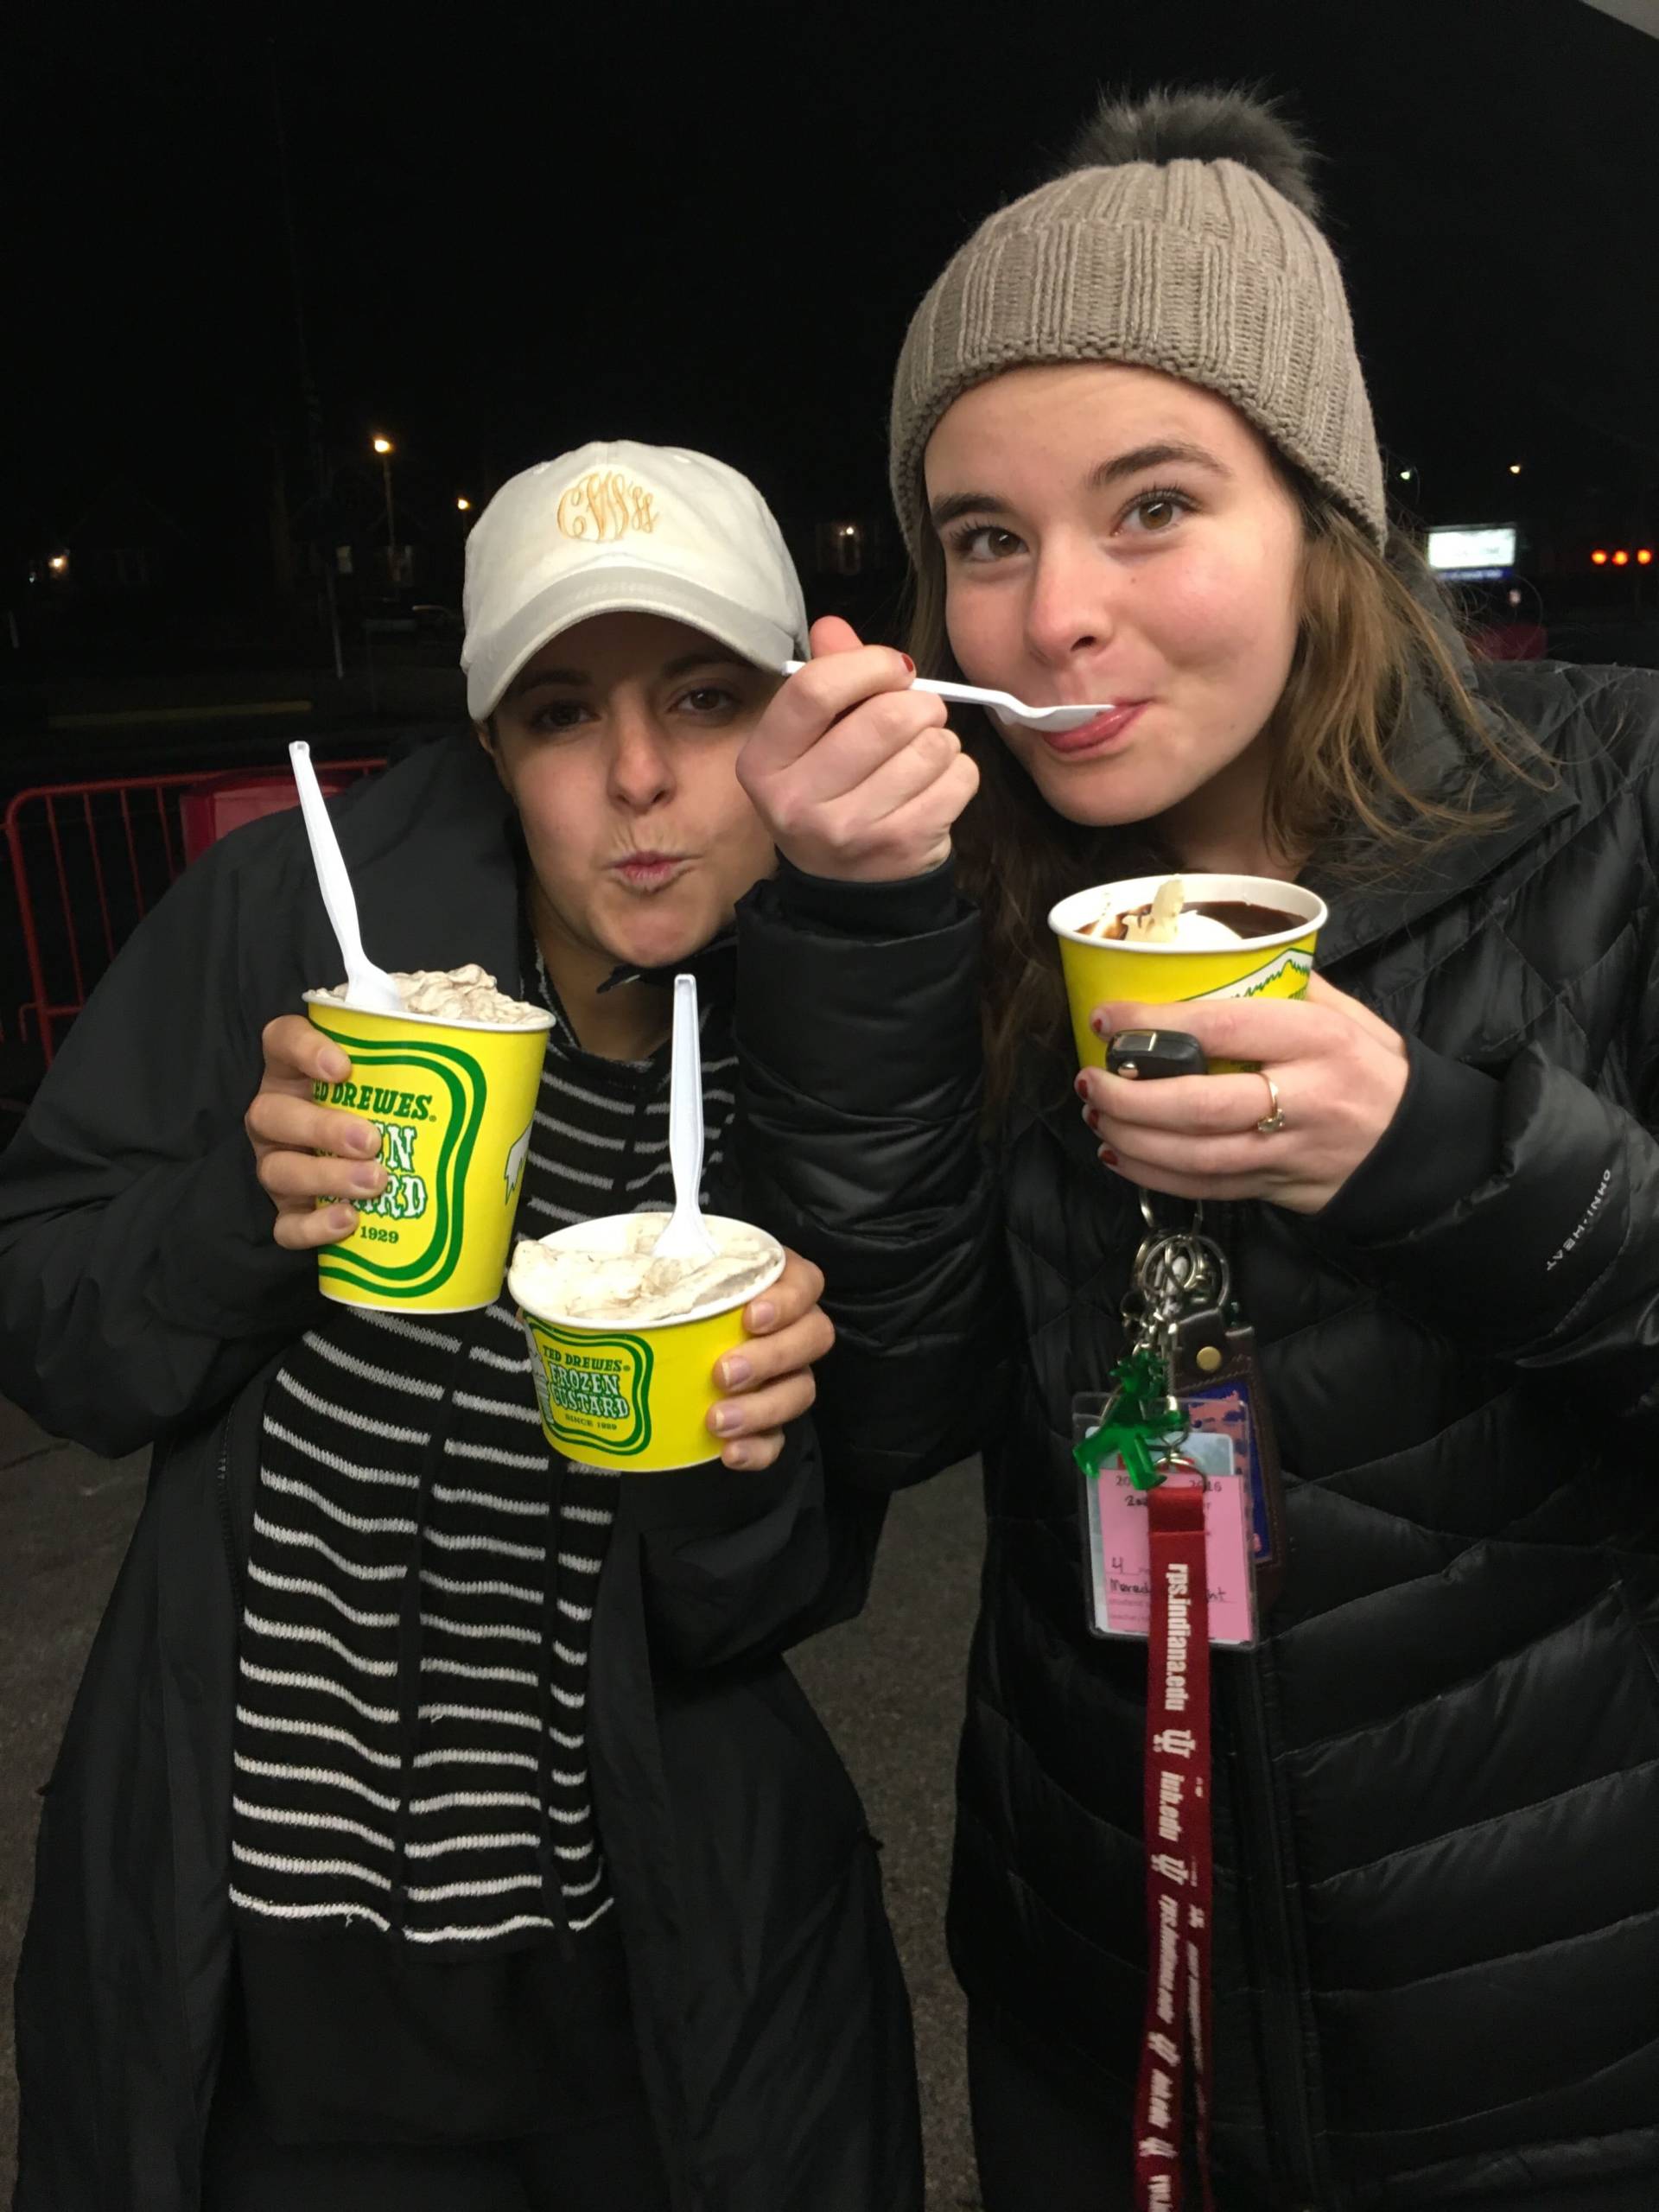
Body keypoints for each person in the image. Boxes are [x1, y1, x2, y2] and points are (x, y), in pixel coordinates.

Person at [732, 89, 1659, 2212]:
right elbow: (886, 1405)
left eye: (1152, 504)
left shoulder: (1614, 794)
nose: (1054, 614)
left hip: (1564, 2031)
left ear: (1318, 511)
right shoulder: (972, 902)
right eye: (985, 535)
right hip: (1106, 1994)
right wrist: (858, 939)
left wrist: (1437, 1152)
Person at [0, 441, 928, 2211]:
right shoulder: (288, 917)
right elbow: (46, 1314)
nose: (643, 777)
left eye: (708, 697)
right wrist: (231, 1216)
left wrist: (729, 1449)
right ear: (497, 747)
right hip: (257, 1981)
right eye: (566, 711)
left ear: (789, 722)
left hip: (639, 1991)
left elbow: (779, 1581)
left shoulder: (826, 1042)